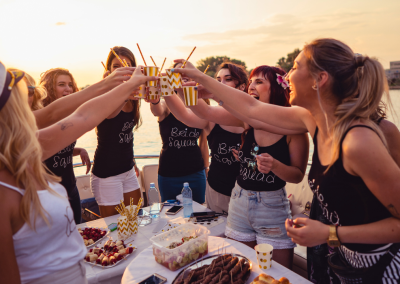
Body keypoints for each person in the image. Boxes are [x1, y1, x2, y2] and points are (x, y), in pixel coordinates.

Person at [172, 38, 400, 283]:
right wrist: (204, 84)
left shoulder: (358, 141)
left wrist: (330, 233)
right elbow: (250, 108)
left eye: (295, 66)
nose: (287, 75)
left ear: (319, 79)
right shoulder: (311, 120)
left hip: (382, 267)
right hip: (347, 261)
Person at [0, 62, 156, 283]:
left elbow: (79, 116)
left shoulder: (28, 146)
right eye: (26, 92)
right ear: (11, 108)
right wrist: (125, 84)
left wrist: (114, 83)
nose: (32, 98)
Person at [175, 63, 309, 269]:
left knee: (277, 274)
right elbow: (204, 111)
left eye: (259, 82)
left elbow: (297, 175)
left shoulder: (295, 128)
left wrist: (275, 166)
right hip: (239, 203)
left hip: (272, 209)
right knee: (239, 271)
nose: (251, 87)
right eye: (251, 82)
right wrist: (184, 91)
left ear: (277, 87)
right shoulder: (247, 121)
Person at [154, 62, 247, 213]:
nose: (220, 84)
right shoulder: (211, 116)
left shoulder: (252, 116)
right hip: (218, 191)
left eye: (227, 79)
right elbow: (185, 114)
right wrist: (167, 85)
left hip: (250, 192)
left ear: (242, 86)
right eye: (217, 80)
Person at [146, 62, 209, 204]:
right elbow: (157, 111)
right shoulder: (167, 105)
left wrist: (206, 169)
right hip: (169, 174)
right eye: (178, 74)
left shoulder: (203, 107)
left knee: (197, 214)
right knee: (170, 216)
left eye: (186, 73)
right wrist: (155, 101)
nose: (183, 77)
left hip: (196, 172)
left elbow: (203, 144)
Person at [90, 46, 142, 218]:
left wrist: (132, 161)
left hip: (127, 169)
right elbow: (111, 114)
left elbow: (127, 135)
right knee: (115, 228)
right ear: (109, 71)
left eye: (128, 65)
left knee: (134, 217)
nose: (123, 70)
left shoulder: (134, 96)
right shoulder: (104, 94)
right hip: (107, 173)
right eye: (117, 66)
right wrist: (125, 93)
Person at [39, 68, 91, 224]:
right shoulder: (41, 118)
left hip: (71, 189)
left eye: (70, 84)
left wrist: (78, 150)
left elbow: (58, 146)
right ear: (48, 88)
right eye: (61, 84)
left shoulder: (69, 116)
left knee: (79, 235)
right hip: (50, 194)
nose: (67, 89)